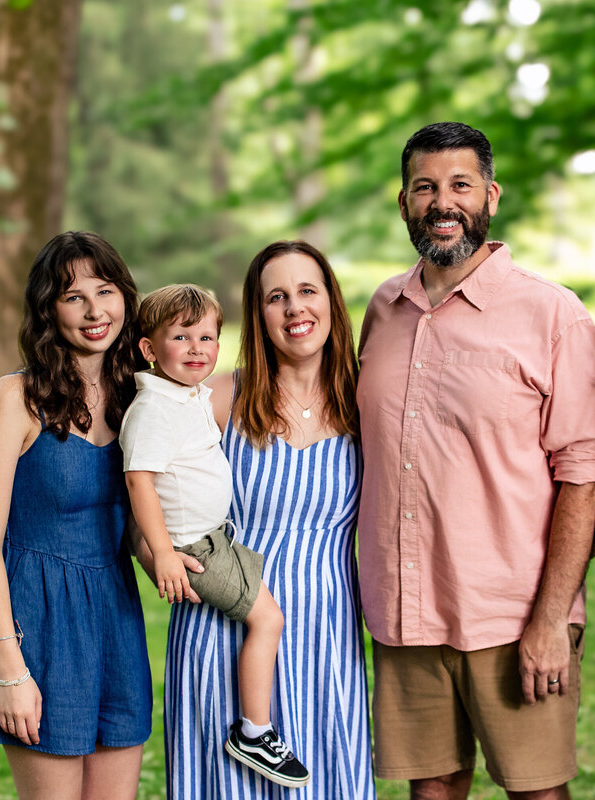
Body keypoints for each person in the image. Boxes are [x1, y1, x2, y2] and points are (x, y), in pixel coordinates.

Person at [356, 121, 595, 799]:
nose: (443, 201)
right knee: (432, 787)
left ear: (490, 197)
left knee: (536, 789)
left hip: (512, 611)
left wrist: (552, 619)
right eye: (425, 187)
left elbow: (583, 475)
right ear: (403, 202)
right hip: (406, 609)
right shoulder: (383, 309)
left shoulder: (553, 315)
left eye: (460, 185)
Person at [164, 241, 376, 799]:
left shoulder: (365, 399)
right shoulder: (215, 400)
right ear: (257, 316)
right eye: (275, 297)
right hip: (224, 629)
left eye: (307, 291)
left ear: (331, 300)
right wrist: (161, 557)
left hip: (327, 635)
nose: (294, 309)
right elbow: (147, 501)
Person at [0, 231, 158, 799]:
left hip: (117, 621)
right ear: (49, 309)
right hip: (40, 627)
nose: (96, 311)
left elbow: (140, 532)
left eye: (106, 291)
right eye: (74, 297)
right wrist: (10, 670)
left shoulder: (138, 400)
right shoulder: (15, 398)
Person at [120, 283, 308, 788]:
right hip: (192, 548)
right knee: (269, 620)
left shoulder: (187, 396)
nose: (197, 349)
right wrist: (161, 553)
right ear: (148, 349)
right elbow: (139, 480)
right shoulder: (155, 409)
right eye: (181, 337)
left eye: (207, 338)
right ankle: (254, 730)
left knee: (265, 599)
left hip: (213, 538)